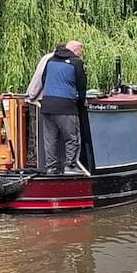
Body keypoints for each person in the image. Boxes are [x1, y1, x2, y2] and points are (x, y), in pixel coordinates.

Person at [25, 41, 87, 175]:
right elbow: (82, 85)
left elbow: (43, 79)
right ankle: (70, 166)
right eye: (80, 53)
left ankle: (51, 168)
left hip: (47, 106)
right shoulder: (76, 63)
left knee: (50, 139)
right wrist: (81, 103)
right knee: (72, 137)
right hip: (66, 106)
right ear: (75, 50)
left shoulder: (51, 60)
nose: (80, 56)